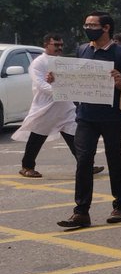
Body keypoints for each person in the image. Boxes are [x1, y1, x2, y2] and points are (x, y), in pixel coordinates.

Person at [52, 12, 121, 230]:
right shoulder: (82, 49)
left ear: (106, 28)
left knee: (114, 158)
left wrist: (120, 83)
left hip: (111, 116)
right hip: (86, 116)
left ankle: (120, 205)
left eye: (92, 25)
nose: (88, 28)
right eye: (86, 24)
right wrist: (56, 78)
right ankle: (81, 212)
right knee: (83, 161)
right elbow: (76, 78)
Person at [15, 34, 103, 178]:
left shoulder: (62, 62)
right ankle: (27, 166)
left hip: (64, 106)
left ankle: (86, 165)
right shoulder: (38, 63)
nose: (59, 48)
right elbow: (41, 85)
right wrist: (61, 91)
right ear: (46, 45)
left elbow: (73, 79)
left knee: (74, 136)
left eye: (61, 45)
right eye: (56, 45)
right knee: (37, 137)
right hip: (46, 106)